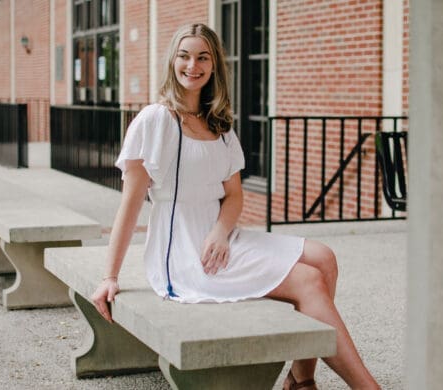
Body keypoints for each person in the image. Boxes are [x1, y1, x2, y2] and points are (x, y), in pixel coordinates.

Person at [91, 23, 380, 390]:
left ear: (214, 67)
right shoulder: (155, 120)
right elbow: (130, 205)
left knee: (324, 257)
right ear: (172, 61)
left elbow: (234, 196)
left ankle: (300, 378)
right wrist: (110, 276)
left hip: (222, 238)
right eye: (184, 56)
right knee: (308, 280)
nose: (191, 65)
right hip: (184, 254)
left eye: (202, 57)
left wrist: (221, 232)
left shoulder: (221, 124)